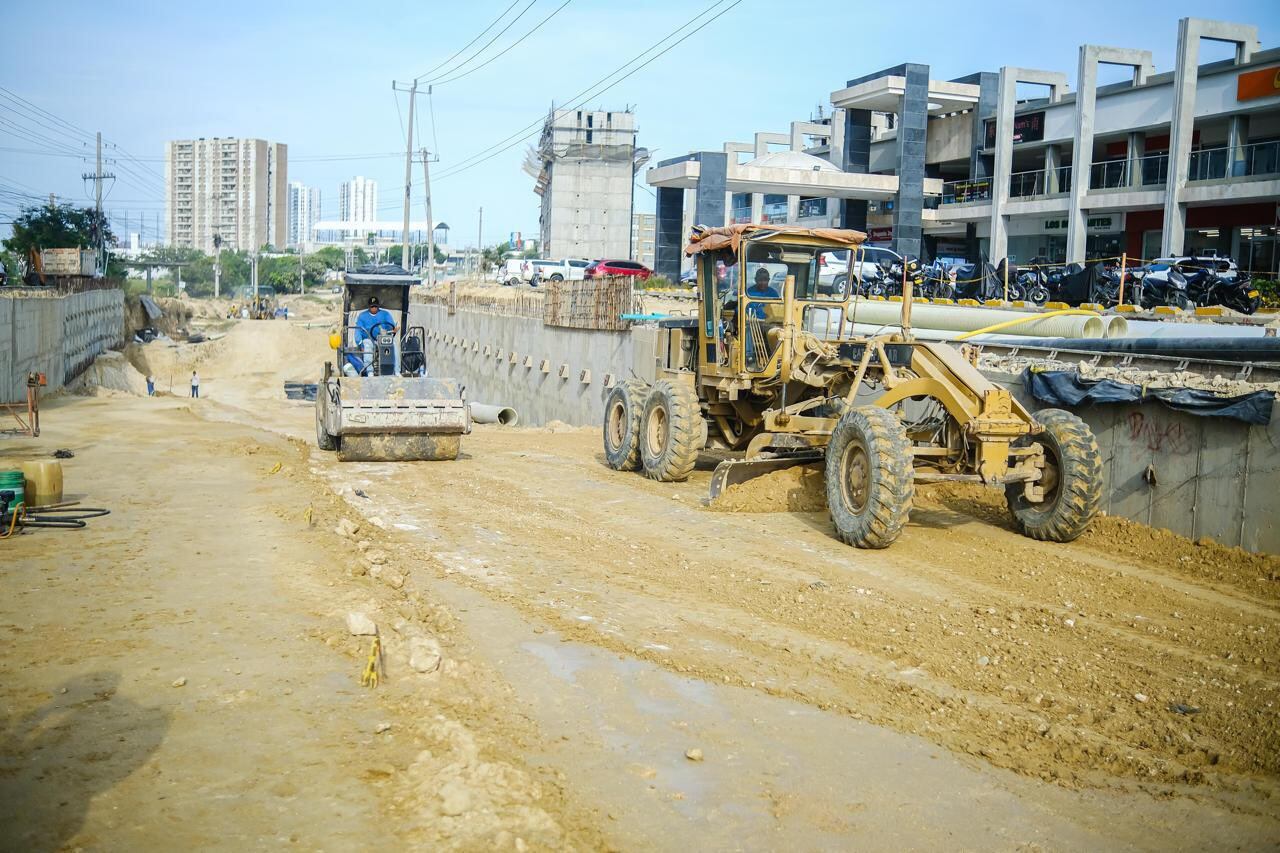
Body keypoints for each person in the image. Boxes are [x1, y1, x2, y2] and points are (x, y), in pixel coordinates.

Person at [354, 296, 399, 375]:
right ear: (369, 307)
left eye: (375, 306)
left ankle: (396, 370)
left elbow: (391, 326)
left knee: (394, 345)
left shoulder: (385, 314)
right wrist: (360, 343)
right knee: (367, 346)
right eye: (372, 306)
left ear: (378, 306)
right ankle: (370, 372)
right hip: (369, 339)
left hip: (382, 339)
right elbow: (358, 330)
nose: (374, 308)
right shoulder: (362, 316)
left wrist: (393, 329)